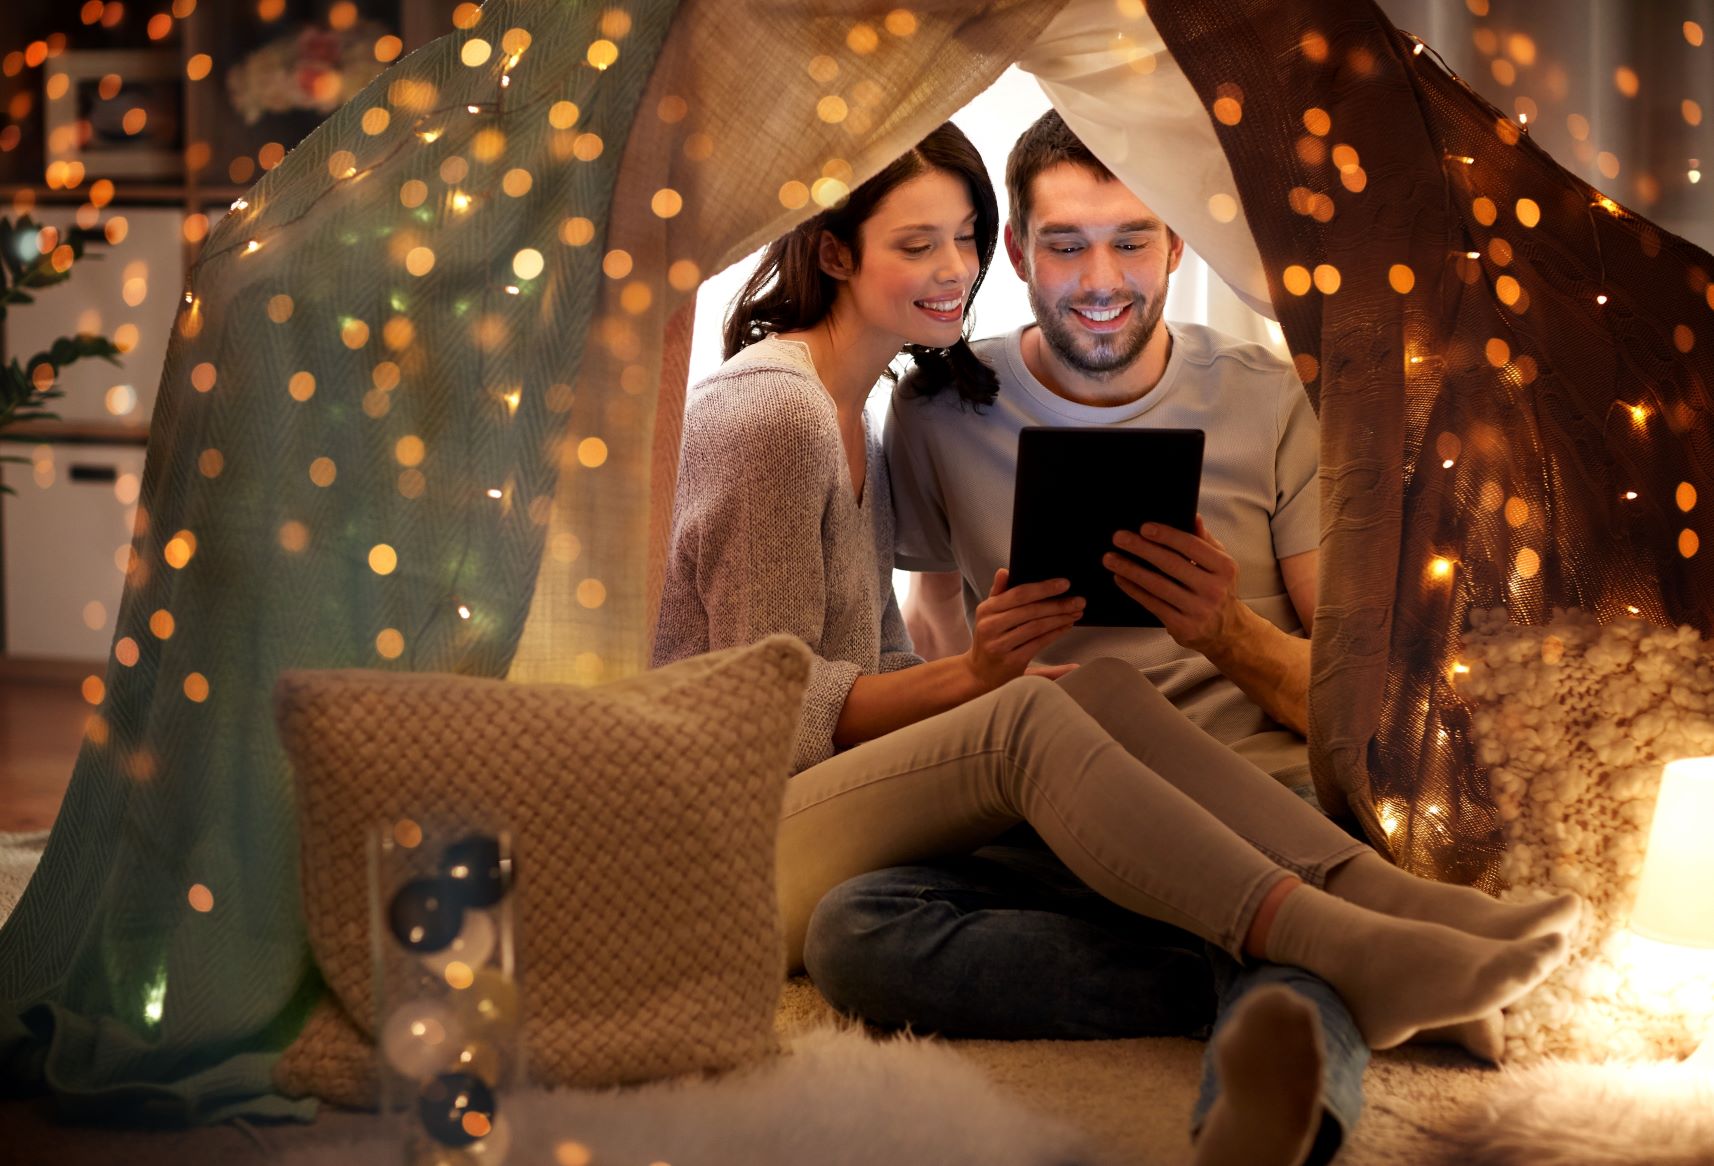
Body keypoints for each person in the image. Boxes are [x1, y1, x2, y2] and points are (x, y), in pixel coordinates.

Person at [652, 120, 1576, 1166]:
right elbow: (772, 705)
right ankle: (1337, 941)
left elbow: (1365, 695)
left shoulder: (862, 408)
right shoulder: (843, 413)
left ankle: (1361, 933)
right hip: (775, 819)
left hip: (1210, 782)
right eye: (918, 244)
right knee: (860, 927)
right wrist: (979, 675)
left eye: (960, 237)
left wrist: (1222, 631)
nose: (951, 268)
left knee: (1070, 698)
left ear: (1178, 243)